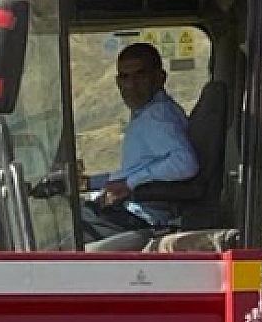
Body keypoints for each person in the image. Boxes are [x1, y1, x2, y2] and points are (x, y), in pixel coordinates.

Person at [81, 43, 199, 240]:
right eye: (124, 77)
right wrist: (89, 182)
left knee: (68, 230)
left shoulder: (157, 116)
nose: (130, 85)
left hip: (142, 218)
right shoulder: (146, 114)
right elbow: (139, 168)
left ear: (160, 78)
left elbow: (186, 163)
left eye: (140, 75)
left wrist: (130, 183)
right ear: (117, 82)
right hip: (132, 212)